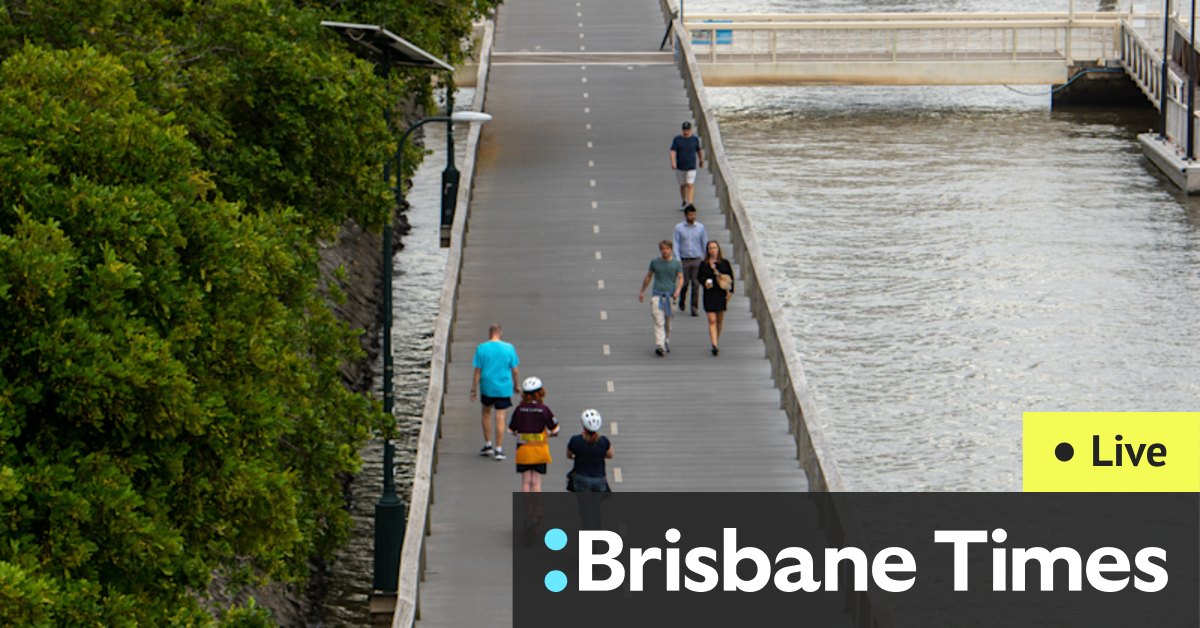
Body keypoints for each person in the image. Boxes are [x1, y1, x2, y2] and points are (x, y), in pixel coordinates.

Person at [470, 323, 519, 460]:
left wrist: (473, 389)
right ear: (500, 333)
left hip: (487, 386)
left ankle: (488, 445)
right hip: (504, 387)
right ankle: (499, 449)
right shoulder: (509, 348)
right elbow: (514, 370)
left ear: (489, 333)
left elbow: (477, 371)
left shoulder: (481, 348)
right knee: (500, 416)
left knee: (486, 412)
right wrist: (516, 385)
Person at [509, 376, 559, 493]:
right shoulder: (544, 409)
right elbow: (555, 429)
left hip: (523, 450)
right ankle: (536, 508)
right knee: (536, 481)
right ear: (540, 393)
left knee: (526, 481)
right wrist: (549, 434)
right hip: (539, 450)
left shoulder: (519, 409)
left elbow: (511, 430)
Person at [638, 240, 683, 356]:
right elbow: (648, 276)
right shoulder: (655, 262)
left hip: (671, 296)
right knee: (659, 321)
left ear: (671, 249)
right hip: (657, 295)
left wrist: (678, 290)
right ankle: (660, 345)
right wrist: (642, 291)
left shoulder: (676, 263)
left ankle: (666, 340)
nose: (665, 251)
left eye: (667, 249)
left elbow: (681, 278)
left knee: (668, 322)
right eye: (663, 249)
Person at [696, 240, 734, 356]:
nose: (713, 250)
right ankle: (714, 345)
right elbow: (699, 277)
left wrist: (731, 291)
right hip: (709, 293)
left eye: (714, 248)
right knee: (712, 320)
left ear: (718, 249)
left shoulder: (724, 263)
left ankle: (716, 339)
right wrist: (705, 282)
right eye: (710, 248)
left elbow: (730, 278)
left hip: (721, 293)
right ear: (708, 250)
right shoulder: (704, 264)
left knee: (719, 320)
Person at [673, 204, 708, 317]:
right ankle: (682, 301)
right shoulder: (679, 228)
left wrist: (706, 257)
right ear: (686, 215)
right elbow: (676, 243)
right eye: (690, 215)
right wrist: (677, 258)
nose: (693, 217)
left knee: (696, 284)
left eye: (694, 215)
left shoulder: (700, 228)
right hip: (684, 259)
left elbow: (704, 242)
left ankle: (694, 307)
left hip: (697, 258)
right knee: (684, 283)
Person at [567, 409, 613, 492]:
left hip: (581, 478)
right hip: (599, 479)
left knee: (583, 504)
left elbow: (569, 455)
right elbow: (610, 455)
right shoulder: (603, 441)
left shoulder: (575, 440)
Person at [669, 121, 704, 209]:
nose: (686, 131)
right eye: (684, 129)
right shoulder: (677, 139)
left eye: (687, 129)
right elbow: (673, 151)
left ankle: (690, 203)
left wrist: (701, 160)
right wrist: (673, 162)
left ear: (690, 129)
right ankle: (684, 200)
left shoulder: (694, 139)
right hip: (680, 166)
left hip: (691, 166)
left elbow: (698, 150)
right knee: (682, 185)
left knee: (690, 184)